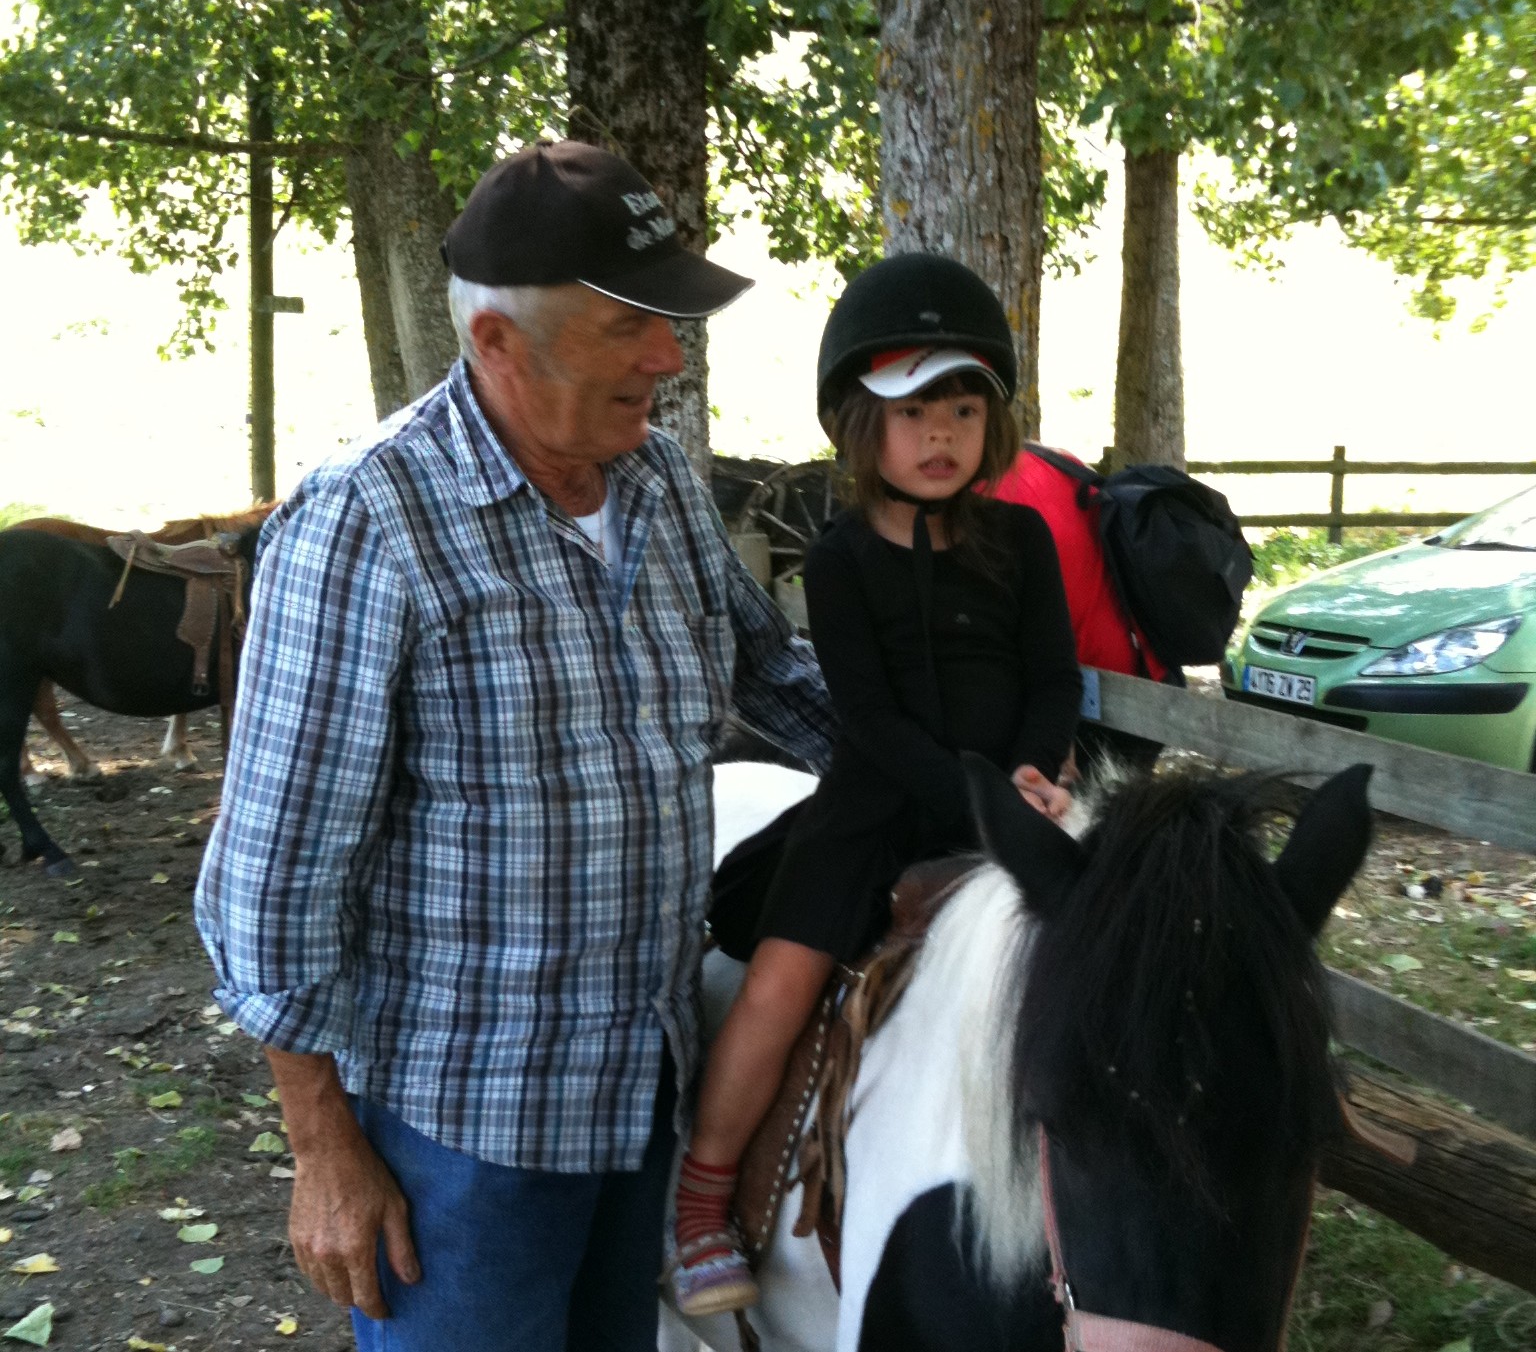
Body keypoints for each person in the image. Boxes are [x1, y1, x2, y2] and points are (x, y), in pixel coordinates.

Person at [193, 139, 837, 1352]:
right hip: (460, 1135)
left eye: (671, 323)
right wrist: (326, 1148)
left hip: (641, 1092)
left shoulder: (655, 485)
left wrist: (967, 781)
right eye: (629, 326)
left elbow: (778, 678)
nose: (669, 356)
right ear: (496, 343)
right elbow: (269, 884)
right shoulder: (370, 524)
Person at [669, 252, 1083, 1316]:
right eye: (910, 413)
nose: (937, 435)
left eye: (959, 408)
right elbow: (870, 717)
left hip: (1020, 801)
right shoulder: (844, 556)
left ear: (992, 422)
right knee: (781, 981)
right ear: (861, 426)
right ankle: (704, 1200)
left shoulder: (1025, 538)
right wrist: (976, 795)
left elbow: (1051, 676)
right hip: (877, 804)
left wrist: (1035, 779)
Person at [990, 448, 1173, 773]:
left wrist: (1057, 738)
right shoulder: (1051, 460)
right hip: (1148, 669)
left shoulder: (987, 508)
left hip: (1089, 699)